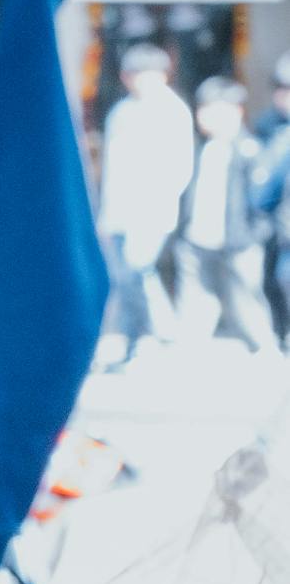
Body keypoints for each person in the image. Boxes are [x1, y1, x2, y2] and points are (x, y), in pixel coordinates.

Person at [95, 41, 193, 367]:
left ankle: (153, 336)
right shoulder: (120, 113)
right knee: (128, 277)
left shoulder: (173, 111)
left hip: (151, 211)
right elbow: (111, 170)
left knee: (136, 273)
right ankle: (151, 337)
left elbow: (179, 170)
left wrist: (157, 205)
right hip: (120, 213)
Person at [177, 76, 274, 352]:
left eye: (212, 108)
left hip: (238, 241)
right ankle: (190, 351)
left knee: (246, 301)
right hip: (198, 237)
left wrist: (252, 236)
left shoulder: (249, 150)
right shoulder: (201, 147)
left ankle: (264, 349)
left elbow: (264, 202)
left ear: (235, 110)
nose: (203, 116)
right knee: (196, 301)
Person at [251, 55, 290, 343]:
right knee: (276, 280)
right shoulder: (268, 127)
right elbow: (265, 189)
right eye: (281, 88)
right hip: (278, 226)